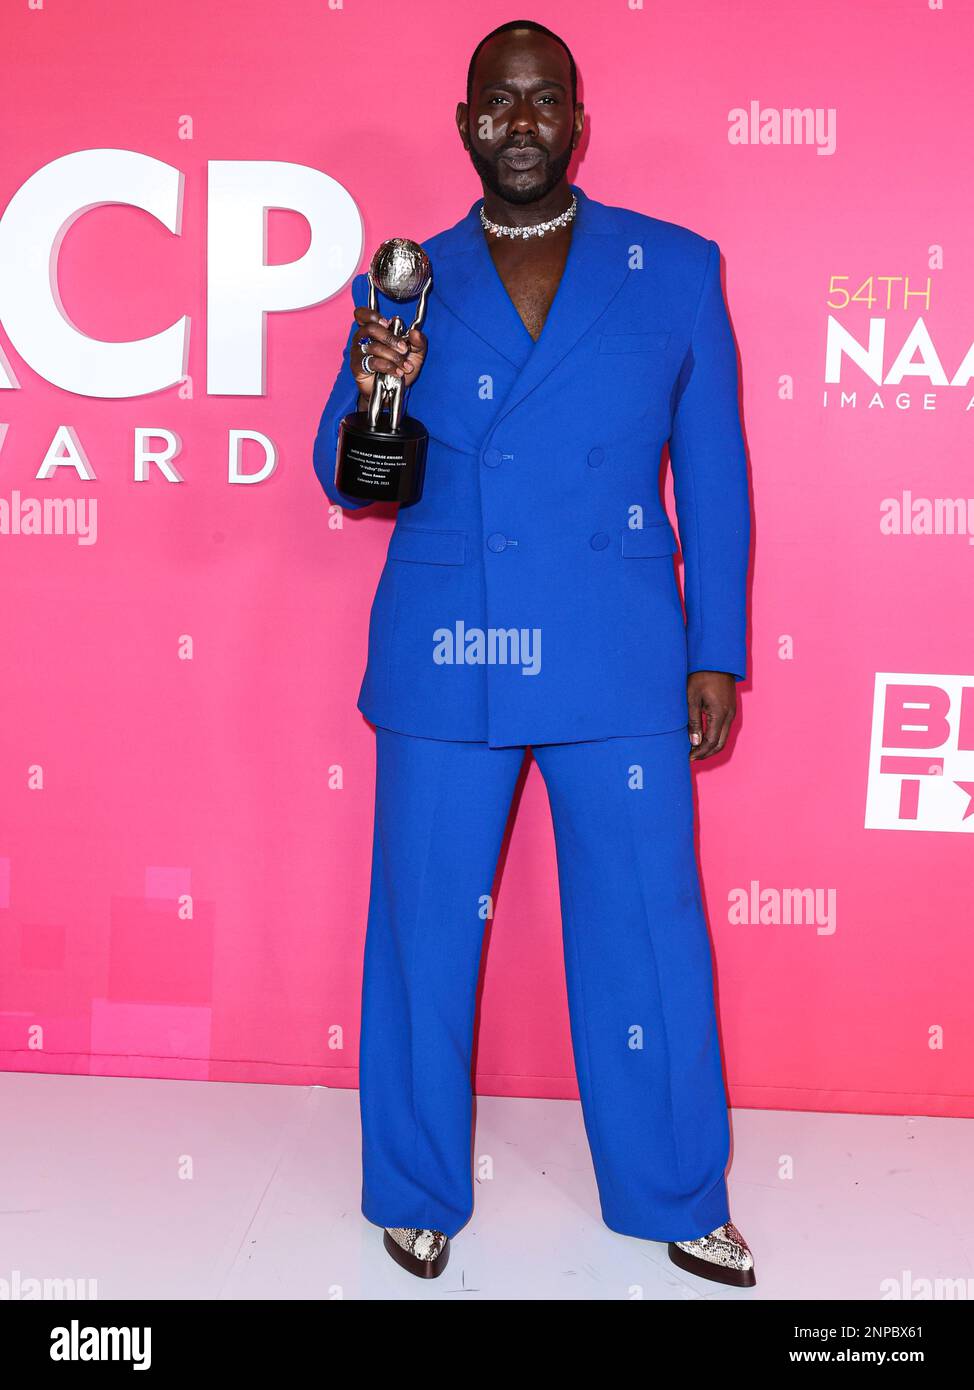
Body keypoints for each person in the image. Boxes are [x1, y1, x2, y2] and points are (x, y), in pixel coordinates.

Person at [312, 18, 754, 1288]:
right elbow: (352, 480)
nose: (518, 121)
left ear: (576, 119)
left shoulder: (671, 266)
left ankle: (675, 1190)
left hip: (620, 655)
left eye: (541, 99)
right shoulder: (402, 278)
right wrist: (369, 381)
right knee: (420, 933)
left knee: (647, 930)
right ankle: (410, 1186)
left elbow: (713, 475)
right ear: (462, 125)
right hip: (448, 656)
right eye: (493, 103)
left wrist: (713, 647)